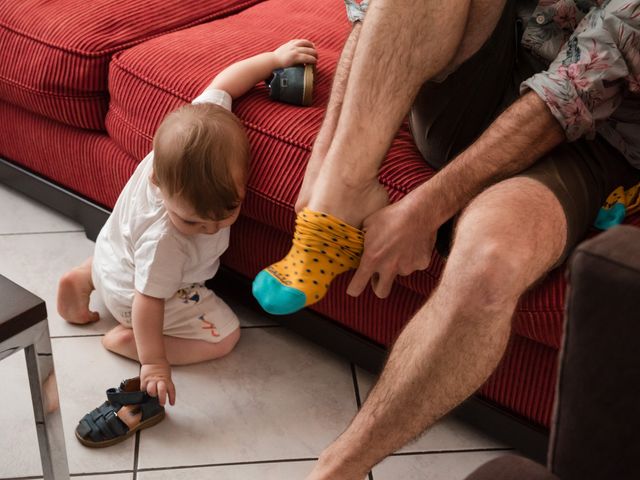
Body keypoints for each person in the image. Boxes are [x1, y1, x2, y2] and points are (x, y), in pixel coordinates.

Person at [251, 0, 639, 478]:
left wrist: (423, 211)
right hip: (489, 77)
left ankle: (337, 470)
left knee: (488, 267)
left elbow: (566, 95)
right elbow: (371, 14)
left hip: (589, 136)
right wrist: (325, 169)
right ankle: (341, 198)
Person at [56, 39, 318, 415]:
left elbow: (226, 83)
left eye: (226, 213)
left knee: (126, 251)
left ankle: (87, 276)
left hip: (112, 256)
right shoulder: (167, 240)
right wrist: (154, 363)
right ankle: (126, 340)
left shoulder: (196, 131)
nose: (210, 230)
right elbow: (149, 299)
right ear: (157, 183)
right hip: (138, 299)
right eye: (193, 220)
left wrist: (273, 61)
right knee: (225, 336)